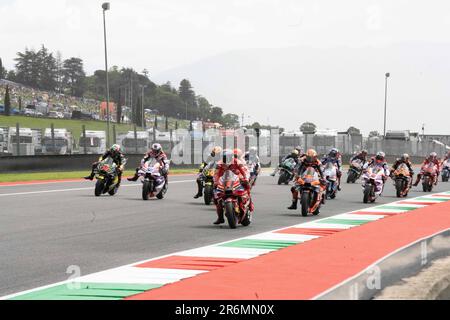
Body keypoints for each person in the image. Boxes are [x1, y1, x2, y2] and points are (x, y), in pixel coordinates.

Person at [212, 149, 252, 225]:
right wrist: (216, 181)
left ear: (231, 157)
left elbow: (244, 171)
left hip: (238, 178)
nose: (226, 160)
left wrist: (246, 178)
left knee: (247, 186)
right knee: (216, 197)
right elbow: (216, 174)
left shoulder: (238, 162)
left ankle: (249, 204)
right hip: (225, 181)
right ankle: (220, 217)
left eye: (227, 158)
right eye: (224, 158)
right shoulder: (219, 164)